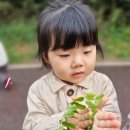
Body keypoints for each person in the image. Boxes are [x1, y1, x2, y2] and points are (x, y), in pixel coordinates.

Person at [23, 0, 121, 130]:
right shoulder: (39, 91)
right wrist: (64, 121)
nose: (78, 63)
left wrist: (101, 124)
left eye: (87, 52)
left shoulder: (102, 84)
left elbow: (113, 119)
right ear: (46, 56)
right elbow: (31, 126)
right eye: (65, 55)